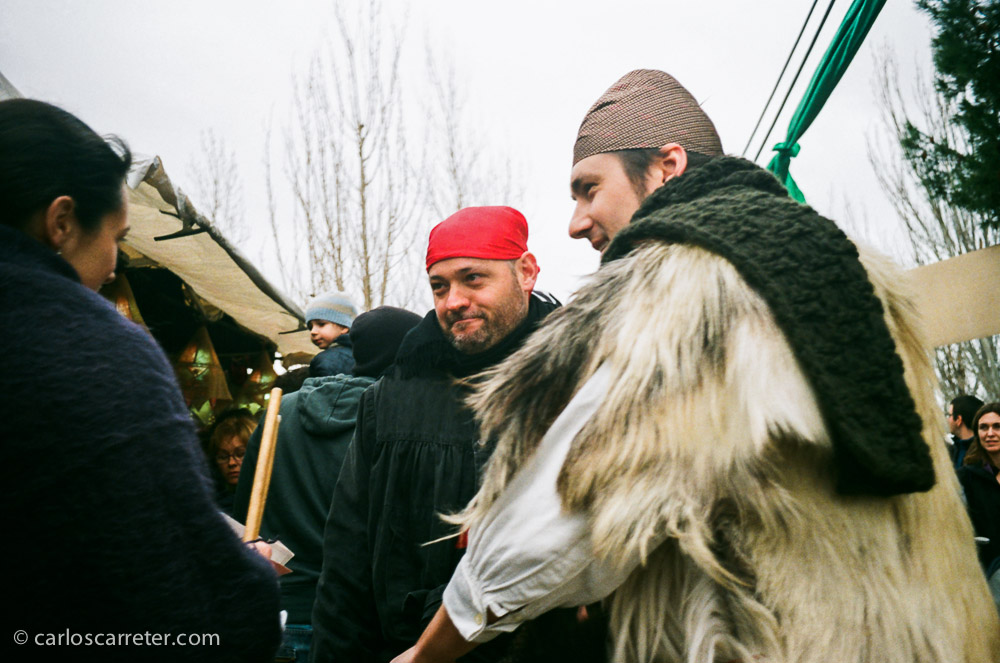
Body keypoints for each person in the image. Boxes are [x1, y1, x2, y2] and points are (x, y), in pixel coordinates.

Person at [397, 70, 999, 663]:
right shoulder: (841, 264)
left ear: (667, 165)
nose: (576, 222)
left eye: (589, 188)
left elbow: (555, 527)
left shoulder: (690, 283)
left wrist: (429, 651)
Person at [0, 98, 281, 661]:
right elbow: (176, 593)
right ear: (60, 222)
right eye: (116, 237)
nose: (113, 264)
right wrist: (252, 585)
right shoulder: (94, 353)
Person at [309, 207, 560, 663]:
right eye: (439, 286)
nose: (452, 301)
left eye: (473, 279)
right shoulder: (391, 397)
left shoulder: (576, 386)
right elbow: (347, 555)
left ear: (525, 272)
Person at [234, 305, 423, 661]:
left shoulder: (282, 410)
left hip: (279, 612)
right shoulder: (395, 425)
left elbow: (245, 515)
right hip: (353, 622)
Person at [958, 402, 1000, 606]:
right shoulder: (966, 477)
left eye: (997, 426)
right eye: (984, 427)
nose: (990, 433)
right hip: (986, 570)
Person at [207, 408, 258, 516]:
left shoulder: (271, 499)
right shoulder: (211, 502)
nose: (231, 463)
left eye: (240, 454)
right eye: (222, 457)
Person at [306, 290, 359, 377]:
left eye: (321, 324)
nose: (313, 332)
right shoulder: (362, 355)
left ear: (344, 327)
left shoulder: (327, 360)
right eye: (311, 327)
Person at [949, 394, 984, 469]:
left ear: (958, 419)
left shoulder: (982, 454)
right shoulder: (954, 450)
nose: (948, 420)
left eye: (949, 415)